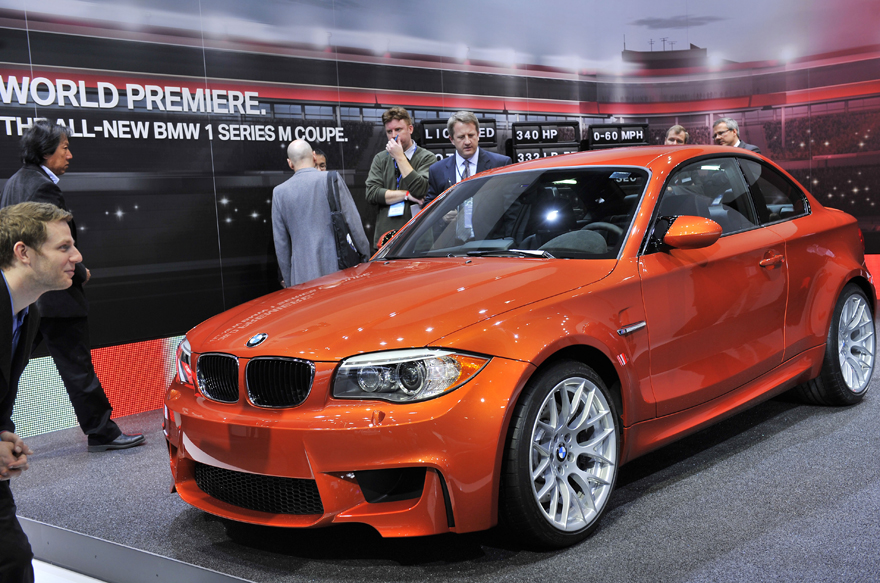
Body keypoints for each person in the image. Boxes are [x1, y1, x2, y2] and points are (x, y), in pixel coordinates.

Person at [0, 120, 144, 452]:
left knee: (12, 365)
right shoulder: (42, 188)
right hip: (54, 295)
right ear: (45, 151)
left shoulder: (15, 182)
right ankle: (102, 431)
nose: (70, 155)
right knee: (76, 365)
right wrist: (78, 273)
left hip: (30, 297)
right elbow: (53, 245)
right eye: (64, 147)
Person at [0, 201, 83, 582]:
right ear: (24, 253)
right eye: (63, 247)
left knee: (13, 559)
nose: (77, 256)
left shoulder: (27, 311)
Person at [272, 139, 370, 287]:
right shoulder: (331, 179)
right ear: (314, 157)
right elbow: (353, 223)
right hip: (336, 271)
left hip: (301, 277)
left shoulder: (279, 193)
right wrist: (365, 258)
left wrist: (289, 281)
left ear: (290, 163)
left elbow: (281, 245)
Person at [365, 106, 435, 251]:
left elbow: (420, 189)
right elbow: (372, 193)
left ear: (410, 129)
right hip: (385, 239)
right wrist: (406, 195)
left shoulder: (427, 157)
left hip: (418, 237)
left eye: (398, 130)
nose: (393, 136)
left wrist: (399, 156)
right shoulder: (380, 158)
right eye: (389, 132)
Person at [424, 111, 512, 207]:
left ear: (478, 135)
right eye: (461, 137)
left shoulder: (500, 164)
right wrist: (443, 216)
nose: (467, 141)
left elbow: (511, 206)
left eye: (471, 135)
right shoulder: (437, 170)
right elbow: (429, 208)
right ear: (451, 139)